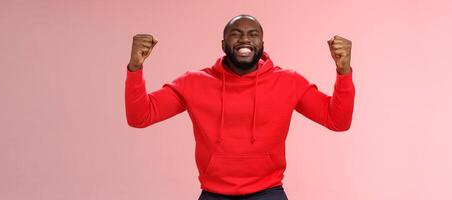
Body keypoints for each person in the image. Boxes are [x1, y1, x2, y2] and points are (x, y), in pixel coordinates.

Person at [125, 14, 355, 200]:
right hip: (214, 194)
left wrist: (343, 72)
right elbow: (141, 117)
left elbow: (337, 121)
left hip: (269, 192)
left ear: (262, 44)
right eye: (236, 34)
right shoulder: (194, 82)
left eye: (252, 34)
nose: (245, 39)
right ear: (223, 44)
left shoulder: (289, 82)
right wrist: (135, 68)